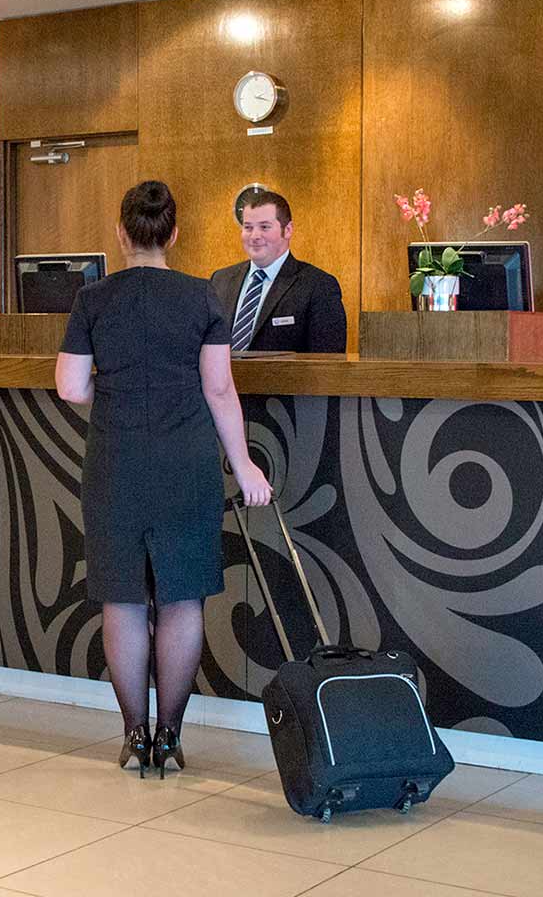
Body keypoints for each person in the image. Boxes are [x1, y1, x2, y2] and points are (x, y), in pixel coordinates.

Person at [55, 179, 273, 779]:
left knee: (122, 598)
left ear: (122, 234)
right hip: (186, 461)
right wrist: (246, 464)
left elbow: (71, 387)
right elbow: (220, 388)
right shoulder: (204, 297)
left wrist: (117, 391)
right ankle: (171, 736)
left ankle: (133, 734)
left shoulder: (92, 300)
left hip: (115, 461)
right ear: (174, 233)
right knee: (181, 596)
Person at [208, 189, 347, 353]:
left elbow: (327, 364)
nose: (254, 236)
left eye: (265, 227)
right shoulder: (220, 280)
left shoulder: (318, 286)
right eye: (248, 227)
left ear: (287, 230)